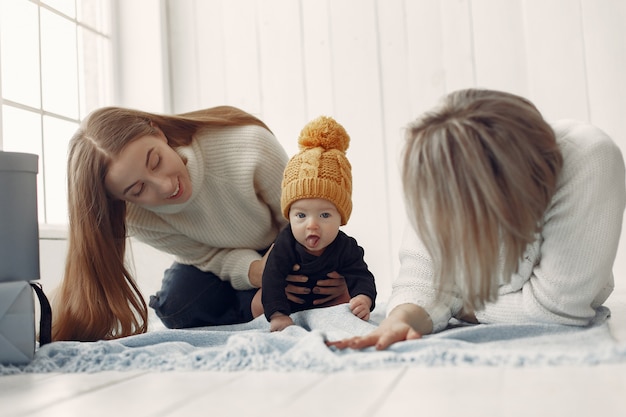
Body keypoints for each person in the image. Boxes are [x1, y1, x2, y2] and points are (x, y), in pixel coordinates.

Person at [328, 88, 626, 351]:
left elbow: (557, 308)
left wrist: (460, 305)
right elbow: (421, 280)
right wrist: (401, 318)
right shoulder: (438, 166)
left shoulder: (590, 158)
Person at [52, 105, 349, 342]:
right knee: (175, 306)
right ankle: (255, 305)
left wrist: (282, 266)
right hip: (222, 259)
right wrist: (256, 272)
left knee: (315, 279)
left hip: (286, 243)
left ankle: (264, 302)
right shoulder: (135, 215)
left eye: (155, 161)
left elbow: (300, 216)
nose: (165, 186)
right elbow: (207, 256)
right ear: (122, 199)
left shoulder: (250, 146)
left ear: (157, 132)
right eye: (138, 190)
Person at [257, 116, 377, 331]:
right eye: (301, 216)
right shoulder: (286, 243)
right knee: (259, 301)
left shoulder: (345, 247)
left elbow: (361, 276)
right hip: (290, 302)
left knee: (349, 301)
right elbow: (272, 277)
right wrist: (278, 315)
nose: (312, 225)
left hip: (326, 300)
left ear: (341, 218)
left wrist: (363, 299)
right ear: (289, 216)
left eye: (324, 215)